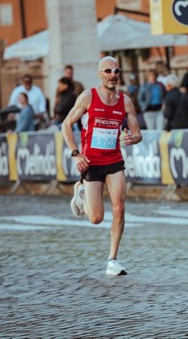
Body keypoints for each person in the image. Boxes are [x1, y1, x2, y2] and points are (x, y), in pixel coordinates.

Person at [62, 56, 142, 276]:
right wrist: (75, 153)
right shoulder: (88, 96)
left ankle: (112, 260)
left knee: (119, 208)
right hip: (91, 161)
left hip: (114, 160)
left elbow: (137, 133)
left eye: (116, 71)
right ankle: (80, 192)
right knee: (96, 218)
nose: (112, 75)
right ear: (100, 73)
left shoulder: (125, 101)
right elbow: (66, 124)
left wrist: (133, 138)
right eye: (108, 71)